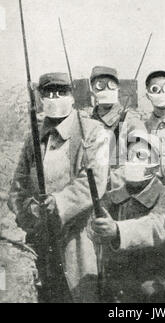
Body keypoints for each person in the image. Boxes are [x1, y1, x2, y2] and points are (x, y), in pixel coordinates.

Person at [8, 72, 110, 303]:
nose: (55, 98)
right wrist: (29, 210)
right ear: (41, 98)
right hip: (41, 237)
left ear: (72, 96)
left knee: (82, 294)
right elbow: (17, 188)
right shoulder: (33, 137)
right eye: (49, 93)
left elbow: (94, 182)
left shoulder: (92, 131)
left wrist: (59, 202)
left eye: (61, 92)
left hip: (80, 236)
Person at [88, 130, 165, 302]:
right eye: (131, 155)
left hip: (154, 280)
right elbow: (93, 231)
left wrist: (117, 230)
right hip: (117, 279)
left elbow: (157, 226)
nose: (134, 161)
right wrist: (97, 227)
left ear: (156, 164)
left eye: (141, 156)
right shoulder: (112, 197)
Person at [90, 66, 144, 167]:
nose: (106, 89)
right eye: (100, 85)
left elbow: (140, 162)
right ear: (92, 89)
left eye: (111, 85)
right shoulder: (87, 122)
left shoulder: (131, 122)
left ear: (118, 89)